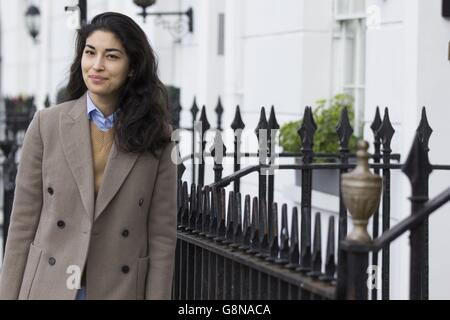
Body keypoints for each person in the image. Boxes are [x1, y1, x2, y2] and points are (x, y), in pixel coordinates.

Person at [0, 12, 177, 300]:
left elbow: (162, 237)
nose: (97, 65)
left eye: (111, 56)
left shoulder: (159, 138)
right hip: (48, 287)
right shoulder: (46, 124)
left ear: (132, 67)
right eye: (90, 52)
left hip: (119, 289)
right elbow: (21, 223)